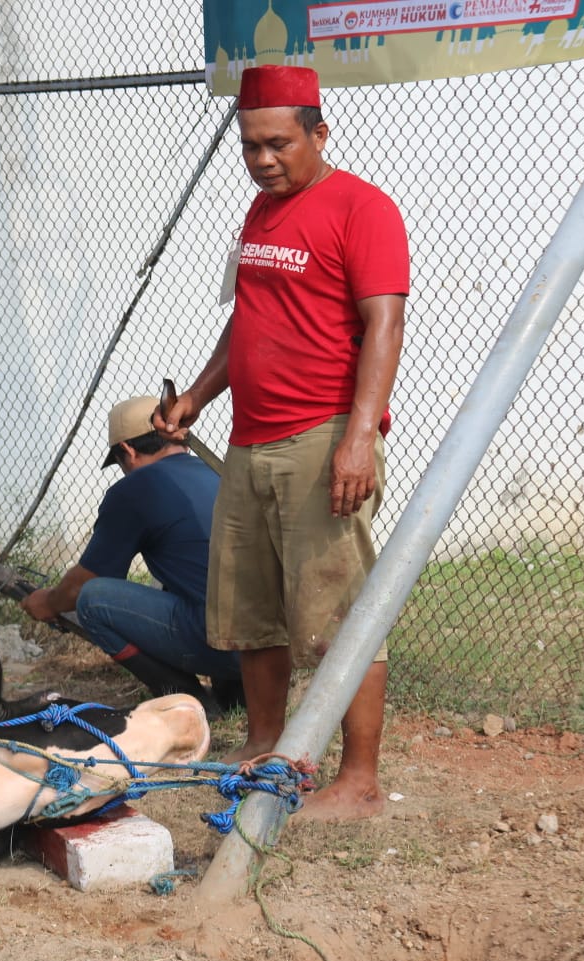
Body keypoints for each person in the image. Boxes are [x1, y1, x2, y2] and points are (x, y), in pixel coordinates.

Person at [155, 65, 408, 821]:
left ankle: (359, 783)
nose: (263, 160)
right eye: (250, 146)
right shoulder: (261, 213)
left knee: (339, 619)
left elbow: (385, 323)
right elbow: (249, 319)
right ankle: (265, 744)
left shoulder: (362, 208)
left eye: (278, 144)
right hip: (250, 441)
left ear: (318, 134)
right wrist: (198, 396)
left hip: (321, 439)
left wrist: (358, 437)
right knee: (254, 614)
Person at [20, 396, 241, 717]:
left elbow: (83, 585)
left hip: (222, 644)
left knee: (93, 600)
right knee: (190, 582)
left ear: (128, 450)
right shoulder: (216, 472)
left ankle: (188, 700)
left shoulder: (136, 488)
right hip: (267, 646)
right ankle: (237, 696)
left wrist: (48, 602)